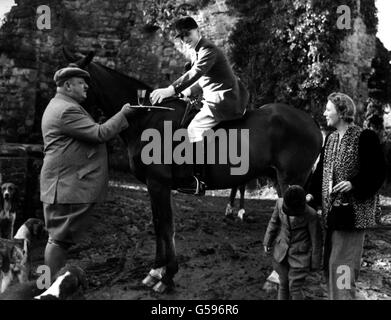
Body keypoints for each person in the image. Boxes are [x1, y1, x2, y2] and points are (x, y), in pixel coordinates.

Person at [40, 64, 136, 280]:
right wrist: (123, 114)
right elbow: (100, 134)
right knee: (58, 239)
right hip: (64, 186)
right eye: (82, 84)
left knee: (57, 238)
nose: (86, 88)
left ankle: (48, 284)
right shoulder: (67, 109)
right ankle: (48, 288)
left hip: (61, 184)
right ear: (67, 85)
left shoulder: (62, 105)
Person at [150, 16, 249, 195]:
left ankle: (194, 179)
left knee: (193, 130)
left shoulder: (208, 49)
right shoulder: (197, 51)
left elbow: (196, 73)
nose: (185, 39)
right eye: (181, 37)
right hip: (213, 96)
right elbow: (201, 81)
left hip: (224, 100)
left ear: (198, 31)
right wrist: (184, 93)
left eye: (187, 34)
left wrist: (170, 90)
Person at [307, 92, 386, 299]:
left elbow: (378, 172)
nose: (324, 113)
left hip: (352, 216)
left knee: (342, 268)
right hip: (332, 216)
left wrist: (354, 184)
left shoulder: (364, 137)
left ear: (342, 112)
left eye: (328, 109)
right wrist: (309, 195)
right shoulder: (331, 139)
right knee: (330, 268)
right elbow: (319, 175)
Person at [263, 185, 322, 300]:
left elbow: (316, 241)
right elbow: (273, 223)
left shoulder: (311, 215)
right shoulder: (279, 204)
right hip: (281, 254)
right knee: (283, 284)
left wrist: (315, 264)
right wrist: (267, 241)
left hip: (300, 257)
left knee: (295, 288)